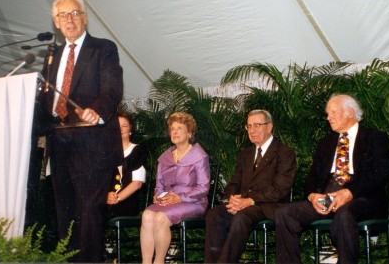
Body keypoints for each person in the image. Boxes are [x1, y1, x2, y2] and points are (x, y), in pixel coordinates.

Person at [36, 0, 124, 262]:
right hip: (60, 143)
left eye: (75, 14)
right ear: (56, 22)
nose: (70, 19)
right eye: (64, 15)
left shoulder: (103, 48)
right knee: (65, 216)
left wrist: (96, 110)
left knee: (89, 214)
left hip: (93, 144)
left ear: (85, 17)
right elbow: (45, 98)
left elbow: (112, 88)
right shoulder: (53, 56)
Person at [275, 94, 389, 264]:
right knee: (285, 213)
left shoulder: (374, 138)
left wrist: (350, 192)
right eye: (327, 113)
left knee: (344, 214)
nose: (328, 117)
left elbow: (379, 173)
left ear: (350, 112)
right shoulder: (326, 143)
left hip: (362, 199)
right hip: (326, 200)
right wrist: (313, 196)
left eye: (333, 112)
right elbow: (312, 177)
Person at [204, 109, 297, 263]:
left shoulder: (284, 152)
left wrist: (249, 200)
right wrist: (230, 200)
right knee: (214, 214)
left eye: (257, 125)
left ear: (269, 127)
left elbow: (279, 189)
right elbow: (234, 183)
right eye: (249, 126)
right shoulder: (245, 154)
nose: (252, 130)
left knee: (241, 217)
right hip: (243, 204)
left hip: (269, 206)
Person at [140, 112, 210, 264]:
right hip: (168, 200)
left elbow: (203, 188)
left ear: (189, 132)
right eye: (172, 129)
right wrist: (158, 195)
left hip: (193, 201)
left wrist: (180, 197)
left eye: (179, 128)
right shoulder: (165, 156)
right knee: (147, 215)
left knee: (160, 218)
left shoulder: (199, 156)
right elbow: (159, 184)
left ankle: (159, 261)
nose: (175, 132)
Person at [107, 112, 147, 219]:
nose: (120, 129)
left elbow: (137, 184)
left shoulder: (138, 151)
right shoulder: (107, 152)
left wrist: (117, 198)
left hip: (126, 201)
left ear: (130, 130)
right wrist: (106, 196)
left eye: (124, 126)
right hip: (107, 199)